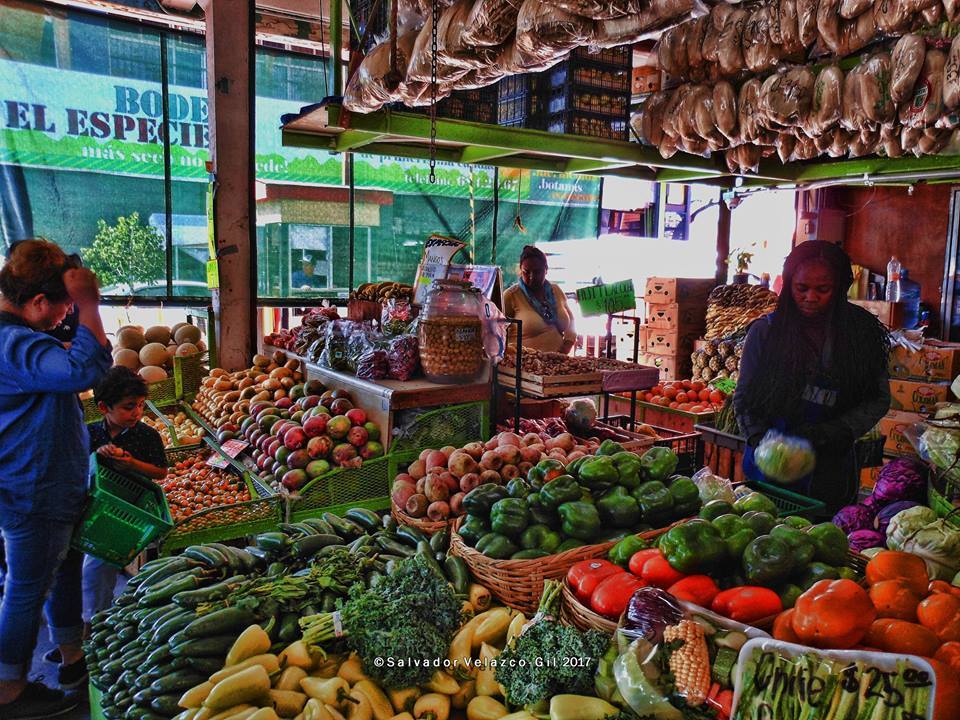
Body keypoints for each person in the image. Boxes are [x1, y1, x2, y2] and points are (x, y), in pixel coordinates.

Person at [0, 239, 111, 718]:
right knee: (26, 589)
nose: (64, 316)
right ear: (39, 301)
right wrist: (88, 303)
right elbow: (86, 369)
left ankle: (71, 656)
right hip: (34, 488)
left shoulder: (19, 337)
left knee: (58, 571)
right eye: (61, 307)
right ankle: (9, 690)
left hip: (46, 484)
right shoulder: (14, 342)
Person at [734, 240, 891, 515]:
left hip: (831, 467)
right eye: (801, 288)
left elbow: (878, 399)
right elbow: (744, 398)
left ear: (841, 288)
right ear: (789, 284)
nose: (810, 297)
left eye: (823, 289)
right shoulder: (765, 332)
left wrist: (834, 432)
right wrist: (761, 441)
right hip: (769, 470)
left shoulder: (860, 334)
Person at [81, 367, 167, 632]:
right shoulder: (90, 433)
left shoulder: (147, 435)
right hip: (94, 506)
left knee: (97, 569)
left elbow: (161, 472)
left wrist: (131, 464)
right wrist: (99, 456)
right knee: (90, 570)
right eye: (129, 407)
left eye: (141, 406)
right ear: (104, 407)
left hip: (128, 511)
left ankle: (94, 627)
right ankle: (86, 625)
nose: (137, 413)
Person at [502, 245, 576, 353]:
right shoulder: (511, 296)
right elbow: (496, 334)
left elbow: (572, 321)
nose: (531, 277)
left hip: (558, 362)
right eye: (526, 272)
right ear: (520, 270)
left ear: (546, 270)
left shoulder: (555, 290)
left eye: (537, 272)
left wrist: (567, 345)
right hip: (525, 365)